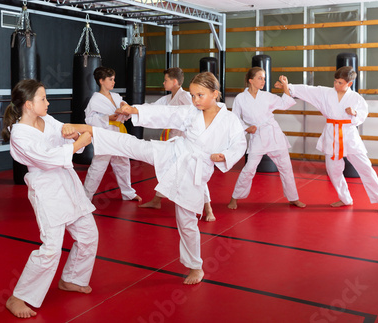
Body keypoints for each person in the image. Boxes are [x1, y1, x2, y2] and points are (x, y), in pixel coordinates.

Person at [65, 72, 247, 284]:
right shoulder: (191, 111)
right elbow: (166, 113)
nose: (195, 100)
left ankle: (195, 267)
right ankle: (94, 132)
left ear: (215, 94)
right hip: (175, 153)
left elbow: (239, 144)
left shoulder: (230, 120)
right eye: (194, 95)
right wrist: (134, 110)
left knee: (186, 222)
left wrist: (225, 156)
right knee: (136, 146)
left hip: (194, 170)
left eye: (200, 95)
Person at [1, 79, 99, 318]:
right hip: (47, 190)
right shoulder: (20, 136)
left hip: (67, 184)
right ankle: (18, 297)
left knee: (88, 235)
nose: (47, 102)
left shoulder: (46, 120)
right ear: (28, 105)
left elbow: (63, 131)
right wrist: (78, 143)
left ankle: (72, 278)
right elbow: (46, 158)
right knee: (51, 249)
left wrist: (72, 132)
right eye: (42, 99)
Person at [278, 66, 378, 214]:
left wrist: (354, 113)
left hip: (349, 136)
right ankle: (345, 198)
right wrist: (288, 86)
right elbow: (308, 90)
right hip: (332, 135)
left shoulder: (356, 98)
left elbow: (362, 116)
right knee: (333, 170)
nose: (336, 85)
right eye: (335, 81)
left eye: (340, 83)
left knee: (365, 168)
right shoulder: (326, 93)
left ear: (349, 84)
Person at [140, 67, 216, 221]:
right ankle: (156, 200)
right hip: (174, 141)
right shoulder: (169, 98)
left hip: (189, 144)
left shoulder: (187, 97)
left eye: (166, 80)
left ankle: (208, 209)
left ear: (174, 82)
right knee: (168, 169)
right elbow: (153, 108)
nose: (163, 83)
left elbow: (196, 114)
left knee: (196, 175)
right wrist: (133, 109)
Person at [228, 67, 306, 210]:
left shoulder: (267, 96)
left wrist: (285, 86)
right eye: (260, 78)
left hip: (273, 134)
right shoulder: (240, 98)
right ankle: (235, 198)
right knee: (249, 168)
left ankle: (293, 198)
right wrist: (246, 127)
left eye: (264, 78)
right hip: (257, 135)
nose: (263, 81)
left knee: (286, 167)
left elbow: (285, 104)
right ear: (250, 80)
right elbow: (234, 118)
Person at [83, 66, 141, 202]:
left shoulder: (116, 96)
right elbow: (89, 120)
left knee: (123, 163)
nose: (113, 82)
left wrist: (124, 109)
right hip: (105, 136)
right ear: (101, 81)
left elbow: (125, 108)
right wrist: (108, 118)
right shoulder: (95, 100)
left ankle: (128, 193)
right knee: (98, 166)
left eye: (114, 79)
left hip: (119, 133)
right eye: (110, 79)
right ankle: (85, 198)